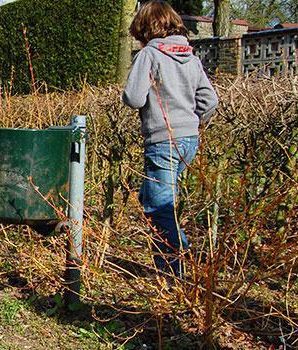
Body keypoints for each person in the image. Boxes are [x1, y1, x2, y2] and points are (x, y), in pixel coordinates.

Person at [122, 0, 219, 278]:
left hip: (163, 140)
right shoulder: (190, 55)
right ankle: (170, 265)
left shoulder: (150, 55)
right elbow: (210, 100)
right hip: (189, 139)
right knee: (153, 197)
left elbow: (133, 97)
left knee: (158, 207)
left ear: (144, 28)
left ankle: (174, 271)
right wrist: (191, 120)